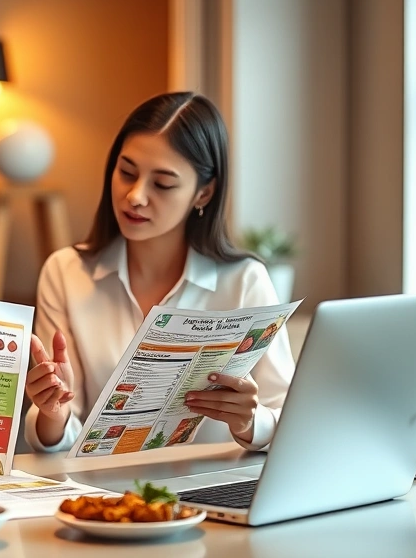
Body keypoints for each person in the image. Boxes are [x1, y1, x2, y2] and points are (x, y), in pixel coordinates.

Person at [24, 92, 295, 453]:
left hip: (209, 490)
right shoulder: (66, 272)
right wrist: (52, 414)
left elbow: (288, 421)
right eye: (127, 172)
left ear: (203, 194)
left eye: (163, 184)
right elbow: (61, 433)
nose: (135, 196)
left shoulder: (245, 281)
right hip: (102, 495)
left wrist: (249, 421)